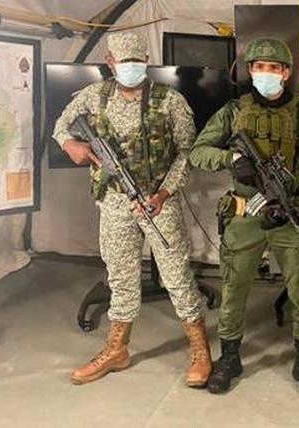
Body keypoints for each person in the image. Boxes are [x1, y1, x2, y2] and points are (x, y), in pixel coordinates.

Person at [53, 32, 211, 387]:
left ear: (147, 62)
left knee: (177, 276)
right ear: (110, 62)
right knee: (121, 277)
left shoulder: (170, 101)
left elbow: (187, 153)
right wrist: (69, 145)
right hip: (114, 201)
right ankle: (117, 350)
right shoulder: (94, 96)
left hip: (158, 202)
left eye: (137, 62)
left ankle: (200, 350)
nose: (131, 68)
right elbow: (61, 125)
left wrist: (165, 193)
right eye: (125, 63)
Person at [189, 37, 299, 398]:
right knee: (234, 288)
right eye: (259, 67)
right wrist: (231, 160)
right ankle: (230, 357)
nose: (266, 73)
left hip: (290, 214)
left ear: (286, 72)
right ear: (250, 70)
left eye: (274, 67)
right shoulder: (233, 112)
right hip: (245, 215)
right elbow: (198, 152)